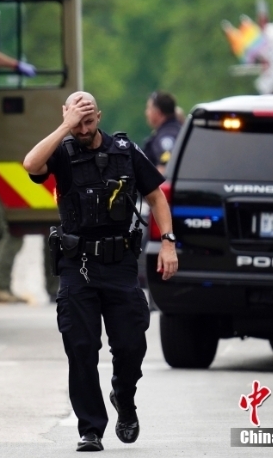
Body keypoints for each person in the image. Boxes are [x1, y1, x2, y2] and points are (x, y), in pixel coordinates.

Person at [23, 91, 177, 452]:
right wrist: (65, 126)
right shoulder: (61, 152)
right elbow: (31, 164)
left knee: (130, 345)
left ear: (99, 117)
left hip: (121, 265)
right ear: (66, 117)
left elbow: (156, 196)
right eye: (77, 121)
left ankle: (124, 398)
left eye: (88, 121)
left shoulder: (124, 151)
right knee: (81, 347)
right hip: (79, 267)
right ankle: (90, 428)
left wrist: (168, 242)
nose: (82, 128)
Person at [143, 91, 182, 174]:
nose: (146, 113)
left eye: (149, 108)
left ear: (157, 112)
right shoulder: (177, 129)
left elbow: (166, 167)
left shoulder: (167, 136)